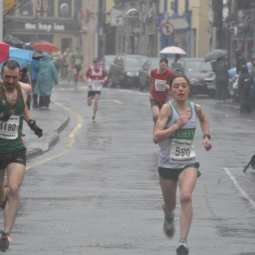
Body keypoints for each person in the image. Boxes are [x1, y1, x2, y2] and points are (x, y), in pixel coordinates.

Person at [153, 75, 212, 255]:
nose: (180, 89)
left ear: (188, 89)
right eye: (176, 86)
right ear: (171, 90)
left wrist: (206, 137)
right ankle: (168, 214)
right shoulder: (167, 109)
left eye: (183, 86)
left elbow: (203, 118)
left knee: (186, 197)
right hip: (167, 165)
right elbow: (156, 137)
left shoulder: (195, 108)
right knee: (170, 205)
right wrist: (177, 125)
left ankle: (183, 242)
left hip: (188, 162)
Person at [0, 60, 43, 252]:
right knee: (2, 194)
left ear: (19, 77)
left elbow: (22, 106)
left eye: (14, 77)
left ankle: (6, 234)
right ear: (1, 75)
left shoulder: (23, 88)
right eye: (6, 77)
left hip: (16, 147)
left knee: (14, 188)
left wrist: (32, 123)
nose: (10, 81)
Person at [150, 57, 175, 125]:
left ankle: (160, 127)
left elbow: (174, 85)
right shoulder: (153, 72)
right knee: (156, 114)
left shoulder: (170, 74)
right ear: (159, 64)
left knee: (163, 116)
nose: (163, 64)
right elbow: (151, 81)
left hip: (164, 98)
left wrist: (169, 87)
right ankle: (156, 126)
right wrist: (152, 89)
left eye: (165, 63)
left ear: (167, 65)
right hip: (154, 97)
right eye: (162, 62)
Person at [84, 58, 107, 122]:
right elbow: (85, 76)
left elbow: (106, 76)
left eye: (96, 62)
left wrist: (103, 80)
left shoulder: (102, 70)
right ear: (93, 63)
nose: (95, 64)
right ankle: (93, 96)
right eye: (94, 62)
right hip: (91, 87)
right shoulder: (90, 69)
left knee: (96, 102)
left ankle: (94, 116)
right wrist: (88, 83)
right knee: (89, 104)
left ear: (99, 63)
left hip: (98, 87)